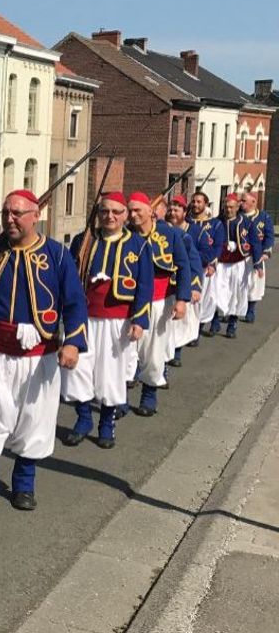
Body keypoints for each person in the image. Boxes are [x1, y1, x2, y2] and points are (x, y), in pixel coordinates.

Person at [0, 189, 88, 512]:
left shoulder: (56, 255)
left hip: (37, 356)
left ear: (34, 216)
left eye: (17, 214)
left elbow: (74, 302)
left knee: (32, 421)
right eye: (5, 213)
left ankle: (23, 485)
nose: (9, 219)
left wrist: (72, 342)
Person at [62, 192, 153, 449]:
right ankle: (82, 419)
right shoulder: (84, 240)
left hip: (118, 321)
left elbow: (144, 285)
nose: (109, 216)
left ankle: (106, 422)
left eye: (116, 212)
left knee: (110, 374)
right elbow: (70, 277)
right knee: (78, 369)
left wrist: (140, 320)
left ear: (125, 215)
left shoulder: (139, 245)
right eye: (104, 211)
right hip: (84, 318)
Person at [127, 192, 190, 417]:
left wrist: (182, 299)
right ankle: (119, 398)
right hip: (128, 300)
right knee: (126, 350)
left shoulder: (170, 234)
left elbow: (183, 266)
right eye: (130, 210)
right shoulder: (124, 235)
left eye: (138, 211)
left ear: (150, 211)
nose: (133, 215)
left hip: (159, 300)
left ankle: (149, 391)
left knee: (153, 350)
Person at [210, 193, 261, 338]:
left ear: (237, 206)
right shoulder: (216, 221)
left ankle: (232, 324)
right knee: (215, 292)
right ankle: (215, 322)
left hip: (238, 264)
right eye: (226, 206)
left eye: (231, 207)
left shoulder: (246, 222)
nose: (228, 209)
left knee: (236, 294)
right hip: (220, 263)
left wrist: (257, 263)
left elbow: (255, 242)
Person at [166, 195, 207, 366]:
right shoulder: (161, 231)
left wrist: (195, 285)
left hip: (182, 282)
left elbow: (194, 261)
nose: (173, 212)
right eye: (171, 209)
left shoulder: (191, 233)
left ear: (184, 211)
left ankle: (176, 353)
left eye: (177, 209)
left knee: (179, 322)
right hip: (163, 285)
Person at [187, 191, 223, 340]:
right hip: (187, 268)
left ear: (205, 204)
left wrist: (212, 264)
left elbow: (218, 246)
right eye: (193, 201)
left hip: (206, 268)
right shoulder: (186, 222)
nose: (195, 204)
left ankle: (200, 329)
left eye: (199, 202)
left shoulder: (215, 224)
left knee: (205, 299)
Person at [241, 191, 273, 323]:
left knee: (254, 284)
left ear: (253, 202)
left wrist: (266, 252)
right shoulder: (238, 217)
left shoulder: (264, 217)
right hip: (240, 256)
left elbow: (269, 236)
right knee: (238, 283)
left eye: (243, 201)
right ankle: (234, 310)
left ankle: (251, 310)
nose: (241, 203)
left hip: (256, 256)